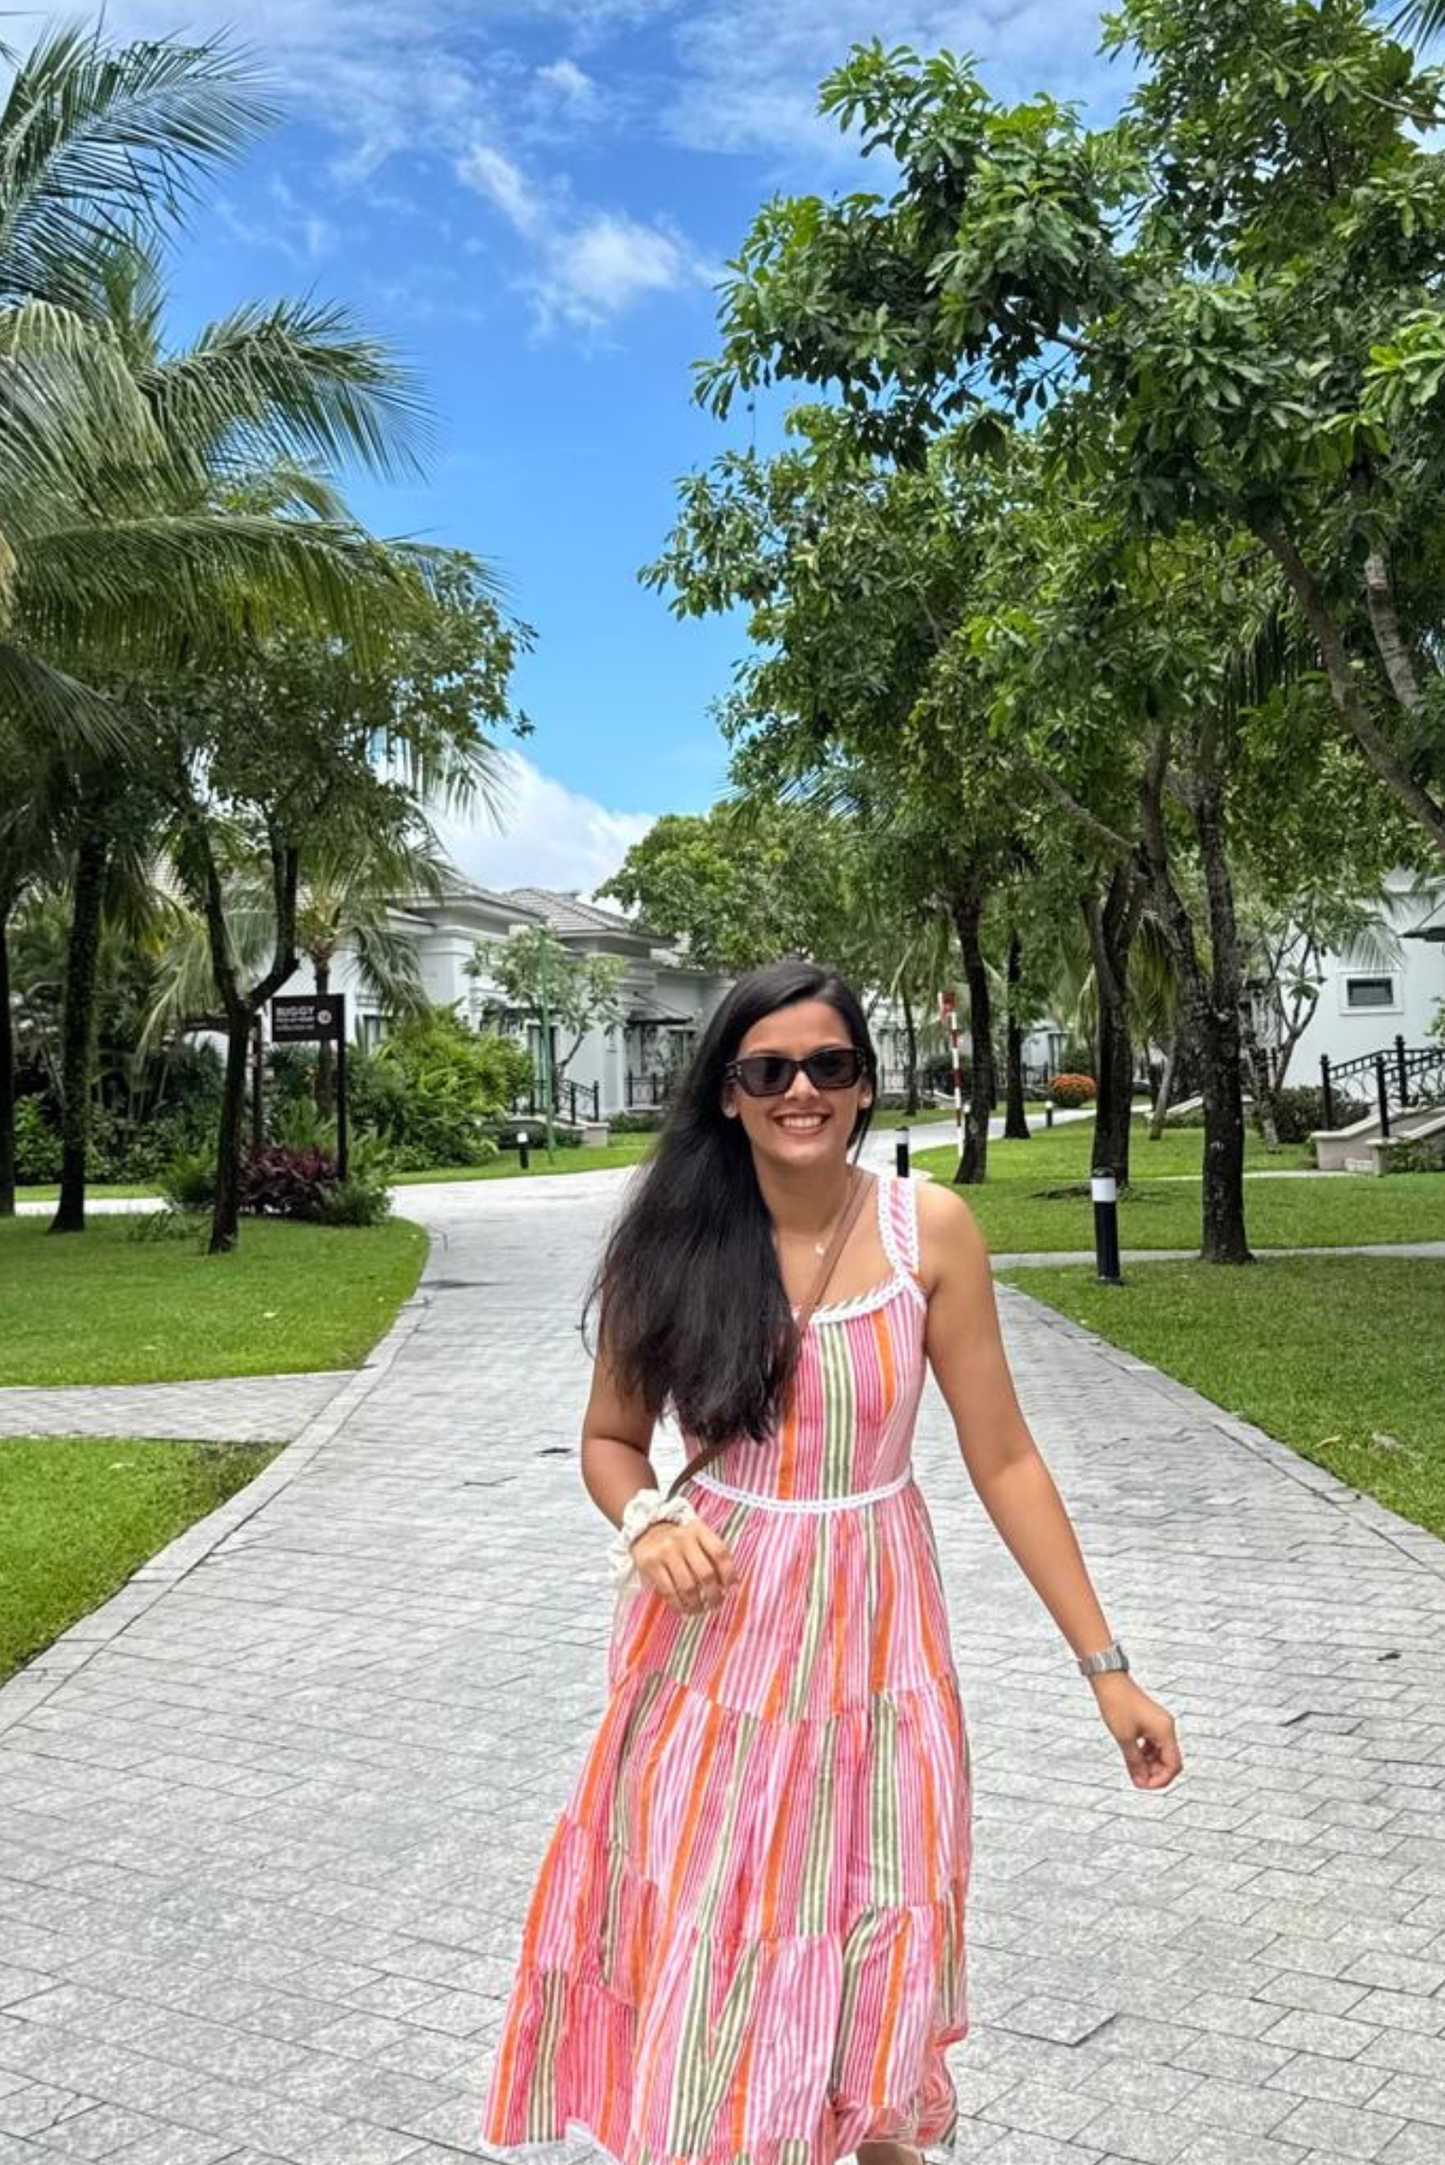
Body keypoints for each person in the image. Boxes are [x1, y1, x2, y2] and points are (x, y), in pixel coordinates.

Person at [480, 957, 1182, 2165]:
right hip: (717, 1647)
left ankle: (874, 2135)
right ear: (725, 1092)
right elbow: (606, 1441)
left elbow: (1005, 1456)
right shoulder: (671, 1240)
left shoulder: (932, 1229)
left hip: (878, 1642)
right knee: (722, 1918)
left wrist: (1104, 1667)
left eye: (828, 1065)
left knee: (869, 1908)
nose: (799, 1089)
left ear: (863, 1085)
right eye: (768, 1069)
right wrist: (649, 1519)